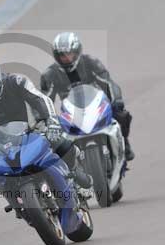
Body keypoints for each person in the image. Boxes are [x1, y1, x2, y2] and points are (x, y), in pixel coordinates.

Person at [0, 52, 92, 192]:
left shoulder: (16, 81)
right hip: (5, 143)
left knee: (60, 142)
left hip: (34, 129)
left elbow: (40, 99)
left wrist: (51, 120)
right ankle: (21, 206)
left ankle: (75, 173)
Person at [40, 32, 135, 161]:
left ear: (77, 51)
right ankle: (69, 167)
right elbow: (45, 100)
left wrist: (116, 100)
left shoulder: (91, 62)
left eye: (70, 54)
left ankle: (125, 144)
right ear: (57, 56)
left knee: (121, 114)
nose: (67, 58)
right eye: (63, 55)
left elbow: (109, 83)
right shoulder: (50, 74)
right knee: (52, 137)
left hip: (96, 105)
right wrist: (45, 119)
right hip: (71, 113)